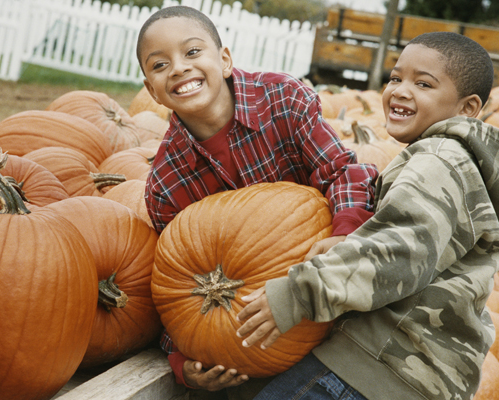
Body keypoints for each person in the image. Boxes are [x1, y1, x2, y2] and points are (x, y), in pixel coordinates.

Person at [236, 31, 499, 400]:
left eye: (423, 83)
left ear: (467, 108)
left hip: (378, 365)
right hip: (414, 374)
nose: (401, 90)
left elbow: (401, 249)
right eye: (395, 78)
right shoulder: (457, 163)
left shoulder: (439, 159)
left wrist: (299, 292)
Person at [135, 5, 379, 397]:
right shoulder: (166, 184)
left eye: (192, 52)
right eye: (160, 64)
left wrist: (345, 233)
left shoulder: (283, 99)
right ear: (150, 89)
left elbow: (342, 172)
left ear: (225, 60)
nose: (179, 68)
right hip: (260, 332)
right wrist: (181, 362)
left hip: (330, 283)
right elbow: (174, 286)